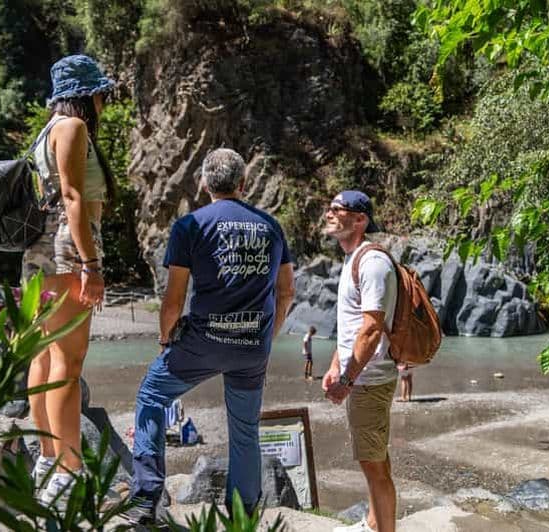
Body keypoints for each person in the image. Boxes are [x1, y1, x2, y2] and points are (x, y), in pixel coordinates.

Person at [127, 148, 295, 525]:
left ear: (203, 183)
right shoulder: (270, 226)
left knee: (152, 395)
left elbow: (173, 301)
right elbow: (287, 292)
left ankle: (147, 498)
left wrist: (166, 337)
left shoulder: (190, 226)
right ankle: (243, 515)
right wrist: (268, 336)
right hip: (252, 345)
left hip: (203, 342)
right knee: (245, 428)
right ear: (243, 184)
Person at [21, 55, 117, 506]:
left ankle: (46, 456)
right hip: (66, 249)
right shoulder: (73, 128)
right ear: (88, 94)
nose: (105, 102)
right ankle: (68, 469)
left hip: (38, 251)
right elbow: (74, 197)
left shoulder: (45, 132)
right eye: (102, 93)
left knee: (42, 356)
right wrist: (91, 266)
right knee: (69, 364)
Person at [322, 190, 398, 532]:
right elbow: (352, 326)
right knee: (374, 459)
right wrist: (335, 365)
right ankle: (372, 524)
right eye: (330, 208)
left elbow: (371, 328)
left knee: (374, 464)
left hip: (370, 380)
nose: (330, 214)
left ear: (360, 219)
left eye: (338, 210)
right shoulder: (354, 259)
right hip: (361, 378)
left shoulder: (373, 262)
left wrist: (348, 379)